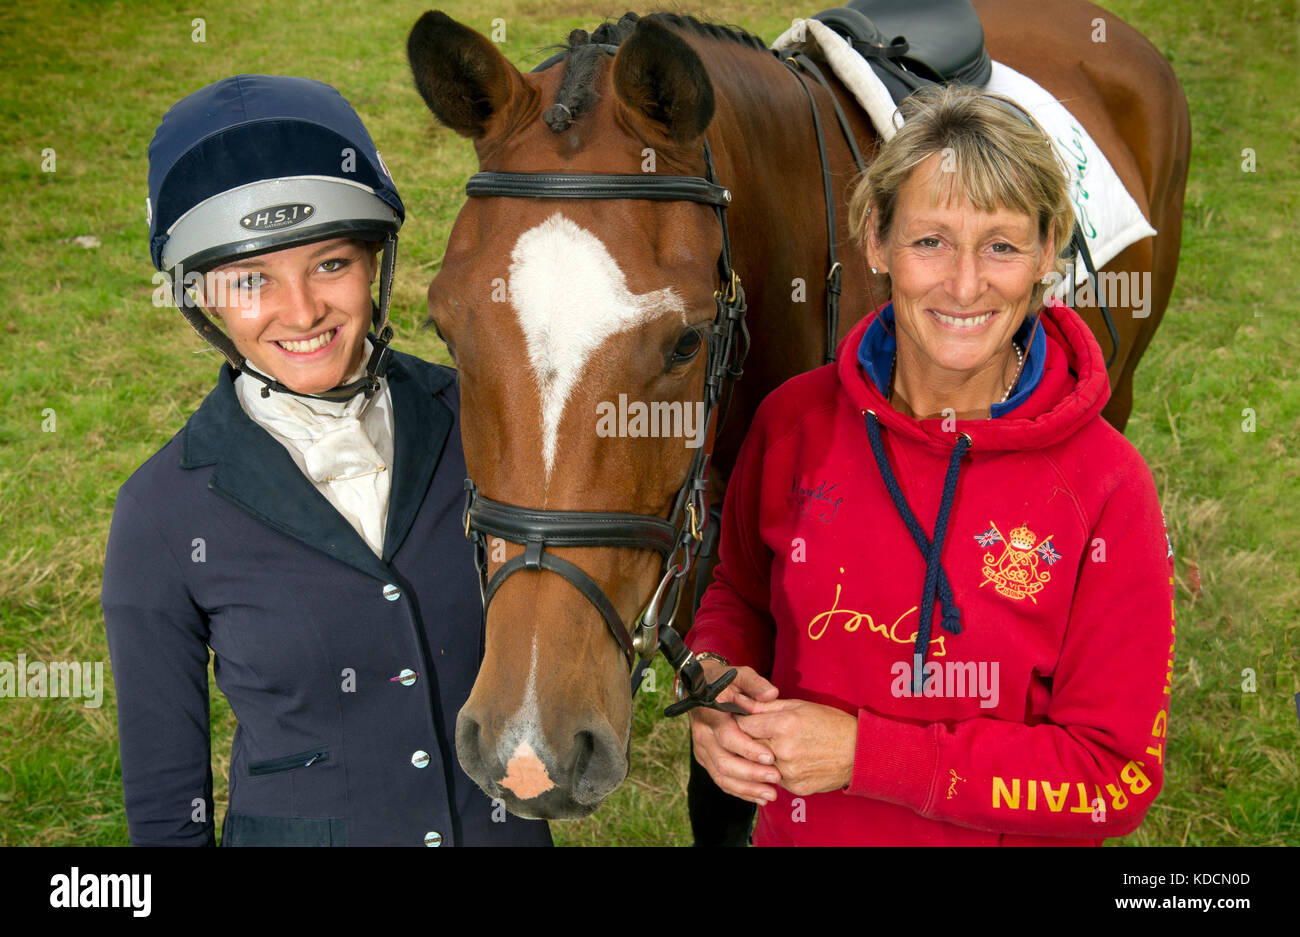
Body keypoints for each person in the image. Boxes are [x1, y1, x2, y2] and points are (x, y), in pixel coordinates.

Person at [686, 85, 1174, 845]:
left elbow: (1112, 780)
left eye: (1003, 245)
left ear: (1049, 254)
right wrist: (715, 681)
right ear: (876, 243)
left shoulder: (1109, 488)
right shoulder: (793, 423)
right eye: (930, 241)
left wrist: (864, 754)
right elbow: (740, 593)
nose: (965, 283)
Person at [102, 74, 551, 846]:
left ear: (375, 262)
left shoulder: (487, 418)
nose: (304, 311)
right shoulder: (158, 514)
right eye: (251, 279)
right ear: (202, 296)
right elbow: (167, 804)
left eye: (331, 263)